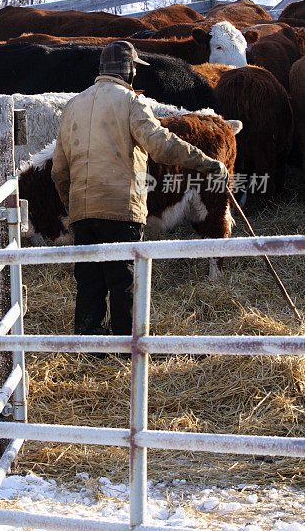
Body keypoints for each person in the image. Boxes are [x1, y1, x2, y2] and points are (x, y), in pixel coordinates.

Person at [51, 40, 228, 342]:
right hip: (122, 210)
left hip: (82, 211)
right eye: (135, 67)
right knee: (123, 282)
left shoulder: (73, 106)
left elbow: (59, 170)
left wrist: (74, 203)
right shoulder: (132, 102)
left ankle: (89, 344)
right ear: (129, 70)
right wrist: (206, 163)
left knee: (89, 283)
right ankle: (125, 348)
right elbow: (160, 146)